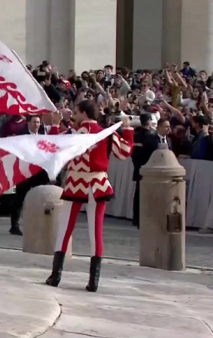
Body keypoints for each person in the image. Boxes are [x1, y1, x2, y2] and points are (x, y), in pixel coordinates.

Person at [45, 101, 134, 292]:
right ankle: (94, 281)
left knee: (65, 230)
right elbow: (124, 152)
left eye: (76, 112)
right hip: (98, 184)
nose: (74, 116)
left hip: (76, 184)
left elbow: (52, 146)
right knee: (96, 233)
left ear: (84, 113)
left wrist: (55, 124)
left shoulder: (73, 133)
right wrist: (127, 130)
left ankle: (56, 276)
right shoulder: (106, 133)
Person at [9, 115, 51, 236]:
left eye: (38, 122)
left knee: (43, 195)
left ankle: (41, 224)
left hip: (39, 171)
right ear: (28, 123)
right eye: (34, 122)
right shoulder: (22, 134)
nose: (36, 125)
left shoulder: (43, 133)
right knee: (19, 198)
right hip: (25, 170)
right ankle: (14, 225)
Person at [131, 113, 155, 228]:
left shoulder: (135, 135)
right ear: (148, 121)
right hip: (147, 167)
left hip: (137, 166)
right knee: (145, 194)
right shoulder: (149, 137)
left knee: (138, 193)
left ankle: (136, 217)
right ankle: (142, 217)